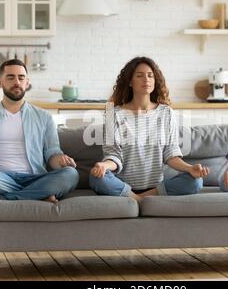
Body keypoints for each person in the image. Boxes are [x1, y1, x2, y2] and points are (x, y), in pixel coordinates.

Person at [89, 56, 210, 202]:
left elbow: (171, 154)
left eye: (150, 75)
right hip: (122, 185)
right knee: (96, 178)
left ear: (155, 81)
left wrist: (190, 168)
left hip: (156, 186)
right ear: (130, 82)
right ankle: (136, 198)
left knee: (196, 181)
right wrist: (104, 165)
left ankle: (139, 199)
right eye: (139, 76)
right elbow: (114, 155)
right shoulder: (113, 114)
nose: (146, 79)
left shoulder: (166, 112)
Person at [0, 59, 79, 202]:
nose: (17, 82)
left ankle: (2, 198)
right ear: (0, 82)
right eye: (10, 77)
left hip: (35, 178)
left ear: (27, 83)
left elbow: (52, 154)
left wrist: (61, 161)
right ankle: (38, 196)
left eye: (21, 78)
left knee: (71, 174)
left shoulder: (44, 117)